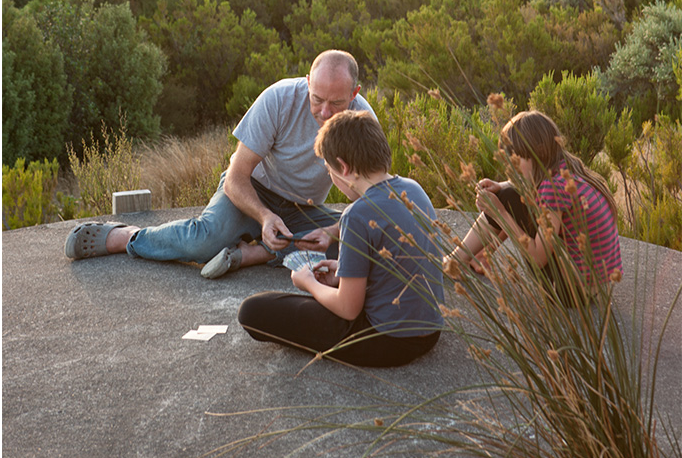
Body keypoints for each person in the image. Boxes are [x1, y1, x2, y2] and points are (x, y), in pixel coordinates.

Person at [63, 50, 375, 276]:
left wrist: (334, 231)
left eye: (336, 103)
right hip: (253, 192)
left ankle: (255, 253)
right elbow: (235, 178)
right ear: (307, 82)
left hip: (302, 209)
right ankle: (126, 237)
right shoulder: (279, 99)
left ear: (355, 93)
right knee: (203, 241)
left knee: (358, 250)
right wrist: (265, 217)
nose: (324, 113)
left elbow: (372, 199)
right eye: (317, 99)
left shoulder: (363, 121)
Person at [237, 110, 444, 367]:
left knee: (253, 310)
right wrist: (342, 271)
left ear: (343, 167)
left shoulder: (357, 214)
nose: (331, 178)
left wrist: (308, 283)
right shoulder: (414, 189)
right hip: (430, 332)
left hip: (386, 340)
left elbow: (348, 309)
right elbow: (396, 263)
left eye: (329, 170)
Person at [441, 110, 622, 299]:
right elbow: (530, 184)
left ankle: (457, 261)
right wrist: (501, 186)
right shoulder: (565, 168)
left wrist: (499, 212)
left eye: (515, 160)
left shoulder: (552, 188)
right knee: (509, 193)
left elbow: (537, 259)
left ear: (539, 152)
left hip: (569, 292)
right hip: (596, 288)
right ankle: (482, 257)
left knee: (508, 198)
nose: (510, 167)